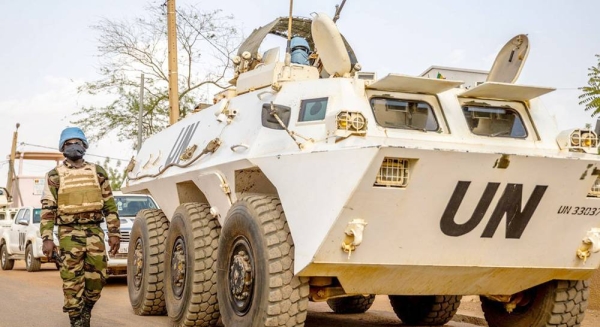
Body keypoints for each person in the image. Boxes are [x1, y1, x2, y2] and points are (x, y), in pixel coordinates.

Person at [40, 127, 121, 327]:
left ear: (84, 145)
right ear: (62, 148)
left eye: (77, 142)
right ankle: (76, 319)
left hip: (94, 231)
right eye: (68, 143)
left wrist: (114, 233)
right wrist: (47, 238)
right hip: (68, 233)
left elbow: (109, 204)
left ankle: (87, 308)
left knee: (98, 278)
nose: (73, 146)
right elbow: (48, 208)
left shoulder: (97, 171)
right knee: (71, 280)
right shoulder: (55, 175)